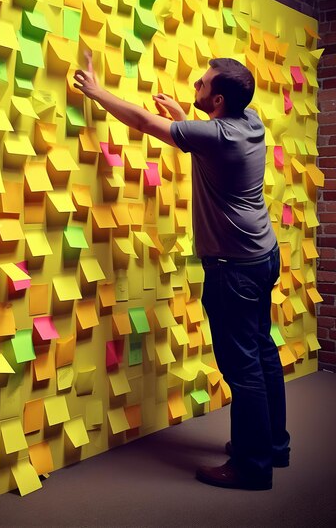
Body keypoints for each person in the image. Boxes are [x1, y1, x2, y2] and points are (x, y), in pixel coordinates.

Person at [73, 54, 289, 491]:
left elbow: (144, 123)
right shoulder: (249, 123)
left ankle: (252, 466)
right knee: (263, 353)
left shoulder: (217, 135)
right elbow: (203, 137)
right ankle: (273, 446)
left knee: (242, 365)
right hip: (263, 256)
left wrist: (97, 91)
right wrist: (186, 117)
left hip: (234, 268)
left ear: (219, 100)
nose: (195, 84)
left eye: (203, 84)